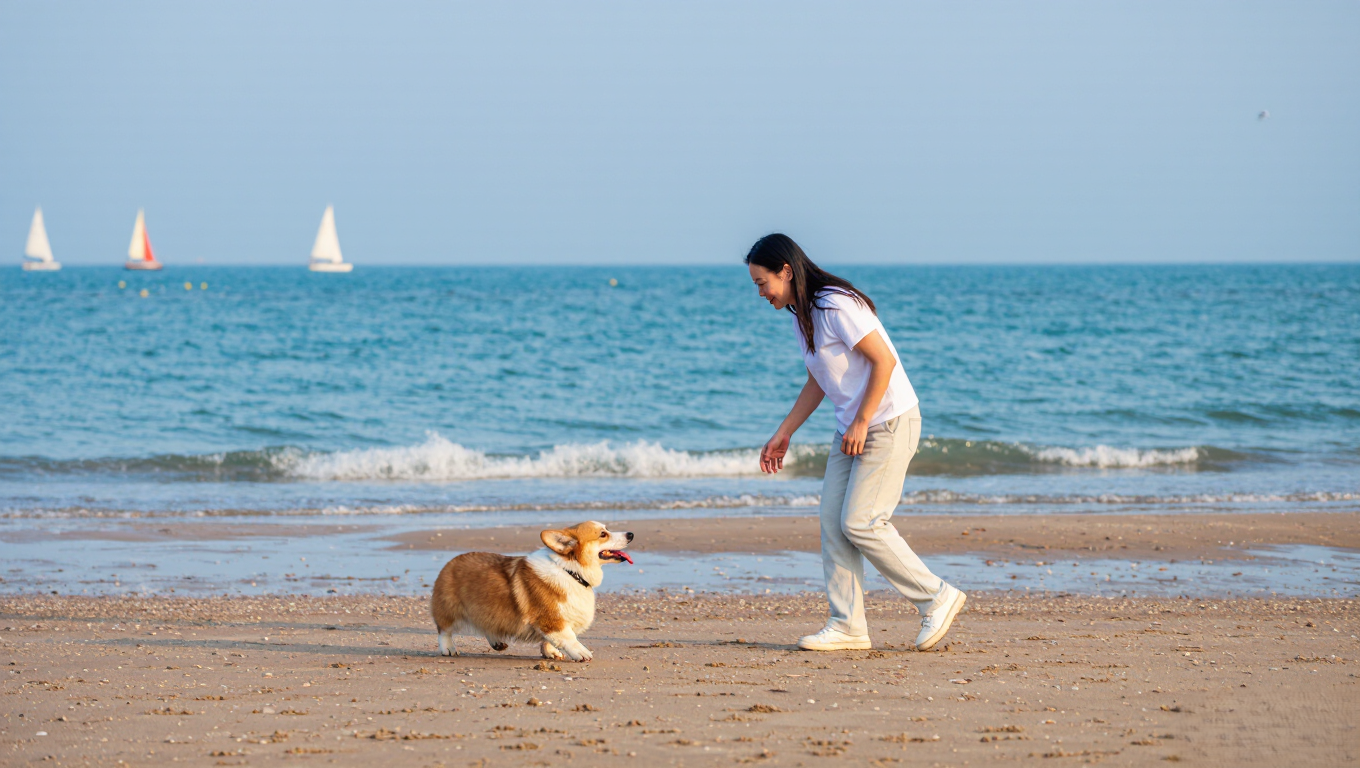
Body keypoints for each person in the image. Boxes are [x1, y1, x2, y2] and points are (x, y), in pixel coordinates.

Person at [746, 233, 966, 651]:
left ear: (786, 272)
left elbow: (885, 360)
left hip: (887, 421)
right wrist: (785, 430)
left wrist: (863, 420)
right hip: (851, 427)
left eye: (762, 283)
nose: (760, 293)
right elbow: (820, 377)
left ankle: (937, 596)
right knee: (833, 522)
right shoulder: (802, 314)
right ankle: (848, 625)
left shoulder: (835, 304)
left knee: (862, 522)